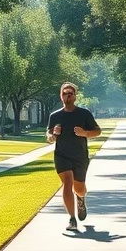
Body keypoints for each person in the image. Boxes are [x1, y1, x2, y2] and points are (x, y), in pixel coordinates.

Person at [46, 82, 101, 231]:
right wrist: (53, 135)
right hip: (62, 155)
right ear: (61, 96)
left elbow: (97, 131)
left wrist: (85, 133)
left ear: (75, 96)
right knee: (67, 183)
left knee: (79, 188)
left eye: (70, 93)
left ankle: (81, 198)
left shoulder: (84, 114)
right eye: (64, 93)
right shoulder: (55, 116)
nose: (67, 96)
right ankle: (72, 219)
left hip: (80, 156)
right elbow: (49, 135)